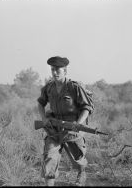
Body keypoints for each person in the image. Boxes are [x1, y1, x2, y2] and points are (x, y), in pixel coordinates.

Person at [37, 56, 94, 186]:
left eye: (58, 70)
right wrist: (44, 119)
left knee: (77, 158)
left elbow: (87, 107)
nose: (55, 72)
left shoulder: (74, 87)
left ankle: (81, 173)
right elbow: (40, 103)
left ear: (65, 71)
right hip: (54, 129)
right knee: (49, 156)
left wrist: (77, 123)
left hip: (72, 128)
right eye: (52, 70)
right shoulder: (49, 87)